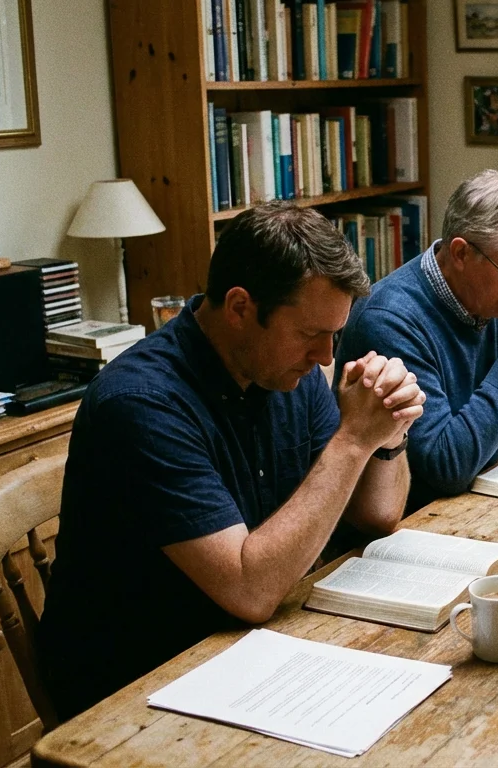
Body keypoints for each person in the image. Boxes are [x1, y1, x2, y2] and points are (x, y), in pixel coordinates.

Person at [38, 203, 426, 719]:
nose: (328, 357)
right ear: (240, 308)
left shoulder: (287, 369)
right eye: (312, 334)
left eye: (336, 334)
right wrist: (353, 440)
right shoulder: (140, 403)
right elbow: (249, 590)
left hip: (250, 647)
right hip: (138, 688)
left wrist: (388, 430)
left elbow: (378, 513)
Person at [336, 170, 498, 512]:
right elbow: (445, 468)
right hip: (408, 526)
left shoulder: (494, 298)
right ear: (462, 253)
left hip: (474, 503)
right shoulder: (389, 319)